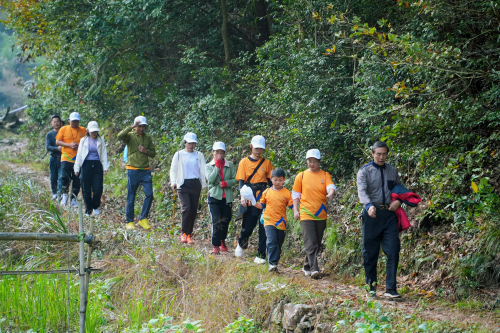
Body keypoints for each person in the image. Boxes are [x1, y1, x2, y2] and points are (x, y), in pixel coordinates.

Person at [356, 141, 402, 298]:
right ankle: (371, 287)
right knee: (370, 252)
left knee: (394, 249)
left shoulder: (392, 170)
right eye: (378, 154)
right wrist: (368, 206)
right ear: (372, 154)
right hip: (371, 215)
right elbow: (362, 192)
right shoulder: (364, 172)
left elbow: (399, 189)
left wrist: (399, 201)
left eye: (384, 154)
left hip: (389, 214)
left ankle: (391, 289)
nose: (381, 157)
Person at [292, 149, 335, 279]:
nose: (312, 164)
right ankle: (315, 269)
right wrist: (295, 209)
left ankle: (306, 265)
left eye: (314, 161)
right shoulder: (301, 176)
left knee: (316, 241)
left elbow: (330, 186)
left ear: (319, 161)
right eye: (309, 161)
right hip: (306, 213)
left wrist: (331, 192)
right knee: (310, 242)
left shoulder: (325, 175)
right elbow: (295, 194)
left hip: (321, 213)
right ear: (306, 161)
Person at [241, 168, 293, 272]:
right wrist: (254, 202)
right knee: (271, 240)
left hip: (281, 222)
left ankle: (275, 262)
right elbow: (261, 205)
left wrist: (298, 211)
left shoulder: (287, 193)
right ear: (271, 179)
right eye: (275, 180)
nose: (277, 182)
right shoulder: (267, 192)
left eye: (280, 180)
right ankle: (272, 264)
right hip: (268, 220)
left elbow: (292, 206)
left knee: (278, 242)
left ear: (284, 180)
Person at [235, 135, 273, 264]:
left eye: (261, 149)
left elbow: (271, 182)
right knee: (248, 225)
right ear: (251, 147)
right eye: (256, 148)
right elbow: (241, 182)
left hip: (263, 195)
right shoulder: (244, 162)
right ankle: (241, 243)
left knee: (263, 225)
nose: (258, 151)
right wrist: (242, 197)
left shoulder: (266, 163)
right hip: (249, 193)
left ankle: (261, 254)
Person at [117, 116, 156, 230]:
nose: (142, 128)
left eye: (143, 126)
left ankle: (143, 219)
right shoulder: (130, 136)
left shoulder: (148, 138)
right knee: (131, 195)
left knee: (149, 194)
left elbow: (153, 153)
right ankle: (129, 221)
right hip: (132, 169)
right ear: (136, 126)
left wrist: (146, 151)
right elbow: (120, 135)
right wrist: (132, 126)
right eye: (140, 126)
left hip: (145, 170)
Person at [170, 132, 207, 244]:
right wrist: (173, 182)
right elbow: (173, 169)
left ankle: (189, 234)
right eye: (189, 143)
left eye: (193, 143)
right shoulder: (179, 154)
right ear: (185, 142)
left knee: (193, 210)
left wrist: (204, 184)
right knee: (186, 208)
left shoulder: (199, 155)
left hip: (195, 184)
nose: (191, 145)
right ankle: (184, 233)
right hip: (183, 184)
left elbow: (204, 170)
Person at [205, 142, 237, 254]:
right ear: (212, 152)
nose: (219, 154)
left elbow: (235, 179)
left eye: (221, 152)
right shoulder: (209, 166)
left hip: (226, 197)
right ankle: (216, 244)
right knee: (216, 220)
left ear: (224, 153)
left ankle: (222, 239)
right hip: (214, 196)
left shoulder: (230, 165)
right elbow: (211, 179)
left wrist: (226, 183)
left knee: (226, 220)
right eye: (217, 152)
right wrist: (217, 166)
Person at [74, 121, 109, 216]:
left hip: (97, 165)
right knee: (86, 188)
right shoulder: (83, 140)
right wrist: (77, 168)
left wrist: (105, 166)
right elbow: (79, 155)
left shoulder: (101, 140)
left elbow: (103, 154)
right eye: (92, 131)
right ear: (88, 130)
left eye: (95, 131)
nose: (94, 133)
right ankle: (88, 208)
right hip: (86, 165)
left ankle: (95, 206)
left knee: (97, 188)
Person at [56, 112, 86, 207]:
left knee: (77, 179)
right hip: (66, 157)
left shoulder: (83, 130)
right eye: (73, 121)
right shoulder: (63, 129)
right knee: (65, 177)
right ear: (69, 120)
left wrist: (79, 146)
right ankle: (64, 195)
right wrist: (69, 145)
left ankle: (73, 198)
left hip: (78, 159)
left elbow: (87, 142)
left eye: (77, 121)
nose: (75, 123)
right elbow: (57, 141)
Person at [46, 115, 62, 199]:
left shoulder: (63, 132)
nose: (56, 123)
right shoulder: (49, 134)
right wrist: (57, 149)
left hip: (62, 158)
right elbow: (48, 147)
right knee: (53, 177)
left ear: (60, 122)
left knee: (61, 176)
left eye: (57, 121)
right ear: (52, 123)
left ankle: (60, 193)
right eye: (54, 122)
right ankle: (54, 192)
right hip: (53, 158)